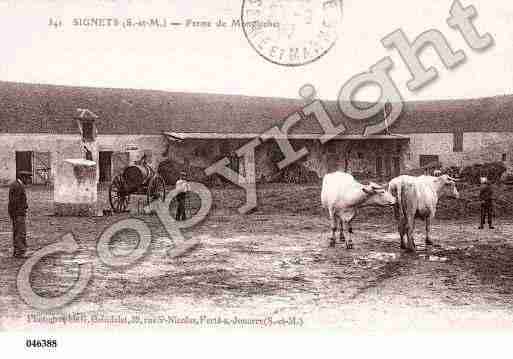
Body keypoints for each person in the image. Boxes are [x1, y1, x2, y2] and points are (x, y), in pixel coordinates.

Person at [8, 173, 29, 258]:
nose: (28, 180)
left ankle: (17, 251)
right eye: (27, 178)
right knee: (20, 232)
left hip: (16, 213)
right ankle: (20, 251)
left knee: (17, 231)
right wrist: (20, 211)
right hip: (18, 213)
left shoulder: (16, 184)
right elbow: (15, 201)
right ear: (23, 178)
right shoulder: (17, 186)